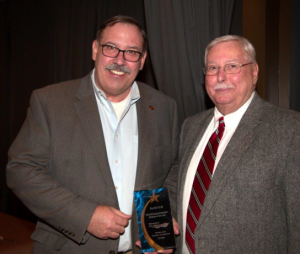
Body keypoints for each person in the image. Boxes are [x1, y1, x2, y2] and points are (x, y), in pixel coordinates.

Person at [6, 15, 179, 254]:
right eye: (111, 48)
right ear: (95, 50)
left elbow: (172, 170)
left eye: (131, 52)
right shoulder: (50, 102)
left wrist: (159, 224)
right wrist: (84, 215)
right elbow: (21, 169)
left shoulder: (164, 108)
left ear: (142, 60)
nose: (120, 60)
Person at [172, 35, 300, 254]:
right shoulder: (190, 126)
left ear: (255, 72)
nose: (221, 76)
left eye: (232, 66)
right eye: (213, 68)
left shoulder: (290, 130)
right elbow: (176, 186)